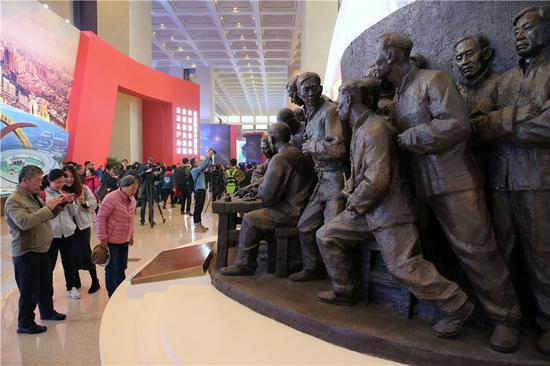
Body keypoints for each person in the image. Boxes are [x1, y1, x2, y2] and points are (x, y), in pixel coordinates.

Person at [374, 32, 521, 353]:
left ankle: (507, 319)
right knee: (440, 254)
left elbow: (457, 125)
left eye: (380, 54)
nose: (377, 62)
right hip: (423, 186)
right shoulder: (400, 95)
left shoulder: (434, 80)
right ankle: (458, 310)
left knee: (478, 252)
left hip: (454, 182)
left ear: (394, 54)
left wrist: (410, 137)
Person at [316, 79, 473, 338]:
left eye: (341, 99)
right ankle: (344, 290)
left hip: (390, 212)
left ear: (350, 100)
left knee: (403, 266)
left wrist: (353, 202)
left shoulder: (375, 129)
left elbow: (378, 180)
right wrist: (353, 193)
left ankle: (456, 305)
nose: (337, 106)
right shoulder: (360, 127)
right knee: (326, 235)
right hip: (368, 211)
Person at [471, 7, 550, 355]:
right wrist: (513, 120)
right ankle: (505, 320)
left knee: (543, 255)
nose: (519, 35)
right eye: (516, 30)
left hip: (537, 181)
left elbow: (547, 127)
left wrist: (499, 125)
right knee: (500, 253)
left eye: (527, 28)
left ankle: (547, 323)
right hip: (500, 181)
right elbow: (473, 124)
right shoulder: (504, 82)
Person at [221, 123, 316, 275]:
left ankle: (244, 265)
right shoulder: (301, 154)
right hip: (305, 209)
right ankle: (265, 254)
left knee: (250, 219)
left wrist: (258, 189)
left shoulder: (280, 158)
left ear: (272, 139)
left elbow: (267, 196)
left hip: (290, 212)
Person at [291, 71, 350, 282]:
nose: (310, 93)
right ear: (299, 93)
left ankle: (342, 285)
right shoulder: (311, 114)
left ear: (321, 88)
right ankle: (313, 268)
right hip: (322, 181)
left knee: (331, 232)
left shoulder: (330, 111)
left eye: (314, 88)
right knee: (305, 226)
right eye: (305, 90)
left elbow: (340, 148)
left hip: (336, 179)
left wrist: (313, 146)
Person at [5, 165, 66, 334]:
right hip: (27, 251)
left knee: (46, 285)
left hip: (42, 248)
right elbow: (24, 222)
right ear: (25, 180)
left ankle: (47, 312)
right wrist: (48, 207)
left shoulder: (34, 196)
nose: (41, 183)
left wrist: (60, 205)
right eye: (38, 180)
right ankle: (25, 323)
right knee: (29, 290)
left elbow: (45, 216)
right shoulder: (14, 200)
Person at [95, 175, 139, 297]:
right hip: (111, 241)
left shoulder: (132, 199)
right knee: (111, 269)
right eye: (132, 188)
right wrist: (103, 238)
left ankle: (121, 292)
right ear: (123, 186)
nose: (134, 191)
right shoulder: (111, 198)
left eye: (136, 188)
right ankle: (112, 294)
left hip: (124, 240)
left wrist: (131, 235)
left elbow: (130, 220)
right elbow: (101, 218)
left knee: (122, 267)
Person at [43, 169, 81, 300]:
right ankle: (47, 292)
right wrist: (56, 203)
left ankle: (71, 288)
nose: (60, 185)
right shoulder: (43, 196)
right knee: (49, 265)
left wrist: (70, 202)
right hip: (51, 235)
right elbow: (43, 215)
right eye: (57, 182)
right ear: (49, 181)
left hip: (68, 233)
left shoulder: (64, 193)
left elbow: (74, 213)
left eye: (62, 182)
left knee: (69, 263)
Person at [62, 165, 100, 294]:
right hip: (67, 228)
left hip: (82, 226)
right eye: (66, 176)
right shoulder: (59, 191)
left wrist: (84, 203)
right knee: (70, 255)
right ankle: (75, 281)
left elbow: (94, 203)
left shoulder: (83, 188)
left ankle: (95, 281)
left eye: (72, 176)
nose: (69, 179)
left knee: (85, 252)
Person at [190, 149, 214, 233]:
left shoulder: (199, 170)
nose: (199, 162)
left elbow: (207, 165)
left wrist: (210, 157)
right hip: (199, 191)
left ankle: (200, 224)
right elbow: (203, 166)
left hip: (202, 191)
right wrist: (207, 156)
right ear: (194, 163)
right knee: (197, 209)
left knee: (200, 209)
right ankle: (197, 226)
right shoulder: (194, 170)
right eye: (197, 161)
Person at [138, 157, 161, 227]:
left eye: (151, 161)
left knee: (151, 206)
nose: (150, 162)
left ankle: (151, 219)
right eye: (149, 161)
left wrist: (158, 174)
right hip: (144, 189)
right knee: (143, 206)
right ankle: (142, 220)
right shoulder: (143, 167)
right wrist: (146, 171)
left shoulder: (153, 168)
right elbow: (139, 175)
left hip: (151, 188)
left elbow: (157, 179)